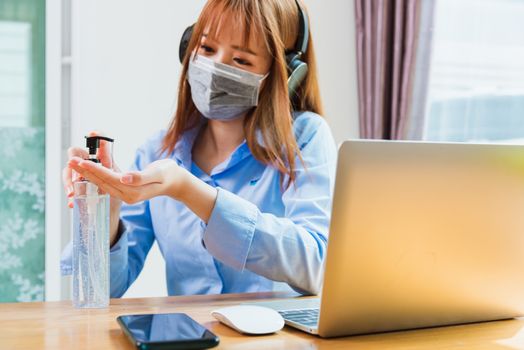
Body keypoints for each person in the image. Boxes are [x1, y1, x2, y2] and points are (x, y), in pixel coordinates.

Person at [61, 0, 337, 297]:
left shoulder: (306, 136)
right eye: (206, 49)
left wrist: (189, 190)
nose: (216, 66)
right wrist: (108, 211)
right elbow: (104, 291)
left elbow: (317, 266)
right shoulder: (157, 152)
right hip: (189, 338)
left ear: (285, 73)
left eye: (241, 60)